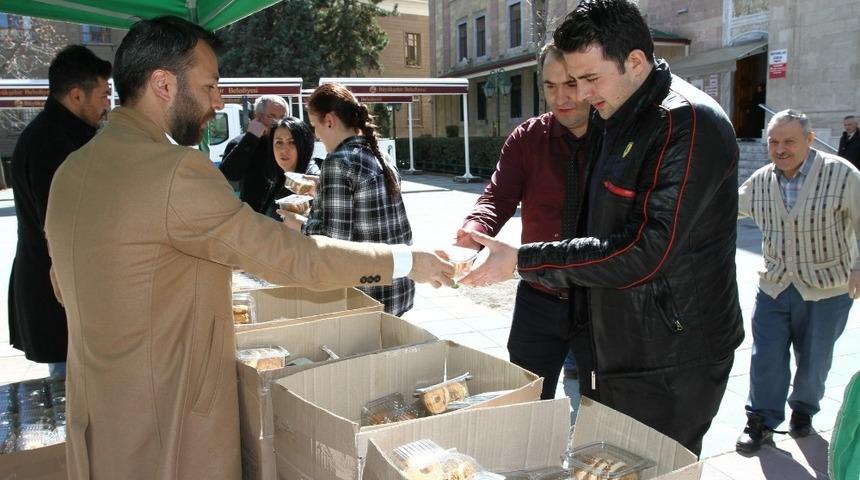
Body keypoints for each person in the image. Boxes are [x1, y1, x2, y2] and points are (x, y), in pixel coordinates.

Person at [43, 16, 453, 480]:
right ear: (163, 84)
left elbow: (66, 284)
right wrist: (406, 260)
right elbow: (295, 258)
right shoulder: (174, 170)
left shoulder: (72, 170)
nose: (218, 101)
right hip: (169, 430)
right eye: (209, 86)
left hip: (98, 423)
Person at [460, 0, 744, 456]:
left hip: (671, 352)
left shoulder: (685, 122)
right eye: (569, 81)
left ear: (635, 62)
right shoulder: (618, 111)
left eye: (589, 79)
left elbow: (645, 248)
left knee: (655, 463)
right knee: (606, 458)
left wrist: (524, 259)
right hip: (618, 338)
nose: (583, 95)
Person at [454, 42, 589, 401]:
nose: (561, 97)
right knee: (525, 400)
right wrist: (472, 234)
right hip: (538, 297)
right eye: (550, 86)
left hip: (598, 302)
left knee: (594, 409)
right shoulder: (529, 138)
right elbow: (496, 197)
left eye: (571, 84)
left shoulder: (616, 138)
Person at [735, 110, 860, 453]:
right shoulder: (761, 180)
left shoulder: (842, 174)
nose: (780, 149)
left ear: (809, 139)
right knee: (766, 355)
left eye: (789, 141)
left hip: (828, 289)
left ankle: (803, 411)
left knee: (814, 360)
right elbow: (725, 207)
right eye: (773, 142)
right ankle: (760, 421)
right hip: (774, 285)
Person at [8, 45, 111, 379]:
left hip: (61, 289)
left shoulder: (57, 134)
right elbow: (63, 226)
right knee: (73, 389)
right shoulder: (51, 142)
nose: (107, 105)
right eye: (103, 95)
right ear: (77, 95)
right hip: (58, 294)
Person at [281, 83, 416, 316]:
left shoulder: (338, 162)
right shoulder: (378, 153)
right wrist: (322, 189)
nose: (316, 135)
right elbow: (369, 207)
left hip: (366, 295)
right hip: (399, 289)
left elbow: (333, 242)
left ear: (329, 121)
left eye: (314, 125)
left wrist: (297, 223)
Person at [218, 94, 288, 212]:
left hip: (285, 213)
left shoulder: (291, 143)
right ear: (257, 116)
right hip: (253, 214)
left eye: (283, 117)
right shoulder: (242, 142)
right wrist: (251, 138)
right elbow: (229, 175)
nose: (278, 122)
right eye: (271, 116)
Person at [263, 116, 320, 220]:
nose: (284, 150)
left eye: (292, 142)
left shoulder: (311, 183)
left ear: (304, 145)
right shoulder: (279, 180)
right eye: (279, 142)